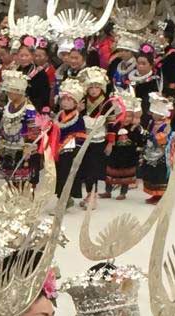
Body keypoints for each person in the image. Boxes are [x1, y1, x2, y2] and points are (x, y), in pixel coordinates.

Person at [0, 70, 40, 185]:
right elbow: (3, 123)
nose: (8, 94)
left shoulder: (29, 108)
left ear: (20, 92)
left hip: (22, 148)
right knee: (9, 178)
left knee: (23, 179)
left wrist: (28, 146)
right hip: (8, 146)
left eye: (11, 92)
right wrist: (1, 139)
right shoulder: (8, 105)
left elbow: (33, 130)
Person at [78, 66, 111, 210]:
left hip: (99, 139)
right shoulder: (83, 100)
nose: (93, 90)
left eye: (97, 87)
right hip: (84, 138)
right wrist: (78, 111)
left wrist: (110, 142)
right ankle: (89, 193)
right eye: (91, 87)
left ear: (102, 88)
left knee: (94, 168)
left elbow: (113, 124)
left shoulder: (107, 102)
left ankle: (93, 196)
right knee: (85, 167)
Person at [103, 90, 144, 197]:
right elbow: (109, 138)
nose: (127, 119)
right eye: (124, 116)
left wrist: (139, 151)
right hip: (115, 155)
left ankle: (123, 193)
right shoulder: (114, 127)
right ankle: (108, 191)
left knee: (126, 176)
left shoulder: (134, 128)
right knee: (110, 173)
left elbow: (139, 141)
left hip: (128, 156)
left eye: (130, 116)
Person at [54, 78, 87, 206]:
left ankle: (66, 199)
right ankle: (61, 198)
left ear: (75, 102)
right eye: (64, 99)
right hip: (58, 150)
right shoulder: (59, 115)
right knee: (59, 174)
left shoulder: (78, 118)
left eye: (69, 100)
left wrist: (73, 147)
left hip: (69, 151)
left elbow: (80, 135)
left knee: (67, 174)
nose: (66, 103)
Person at [140, 93, 175, 204]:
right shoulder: (152, 122)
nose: (153, 115)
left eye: (156, 113)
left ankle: (160, 196)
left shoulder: (166, 125)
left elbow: (164, 137)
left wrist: (154, 137)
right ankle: (154, 194)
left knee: (160, 174)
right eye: (153, 113)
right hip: (150, 151)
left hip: (161, 153)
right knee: (151, 173)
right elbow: (148, 132)